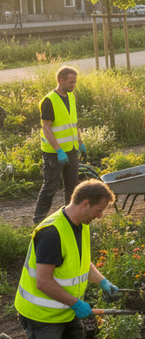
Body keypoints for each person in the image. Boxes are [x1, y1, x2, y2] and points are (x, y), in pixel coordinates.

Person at [0, 180, 117, 339]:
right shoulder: (52, 233)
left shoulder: (82, 223)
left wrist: (103, 282)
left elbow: (81, 264)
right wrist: (76, 303)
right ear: (85, 203)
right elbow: (43, 282)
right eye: (99, 210)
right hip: (41, 315)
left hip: (65, 310)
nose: (100, 215)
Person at [33, 66, 87, 225]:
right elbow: (46, 128)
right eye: (71, 82)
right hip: (54, 152)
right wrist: (58, 150)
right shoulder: (49, 100)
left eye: (75, 82)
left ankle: (70, 218)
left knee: (72, 186)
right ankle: (38, 220)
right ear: (60, 80)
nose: (73, 85)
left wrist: (80, 142)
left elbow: (72, 123)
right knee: (51, 186)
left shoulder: (71, 97)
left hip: (71, 149)